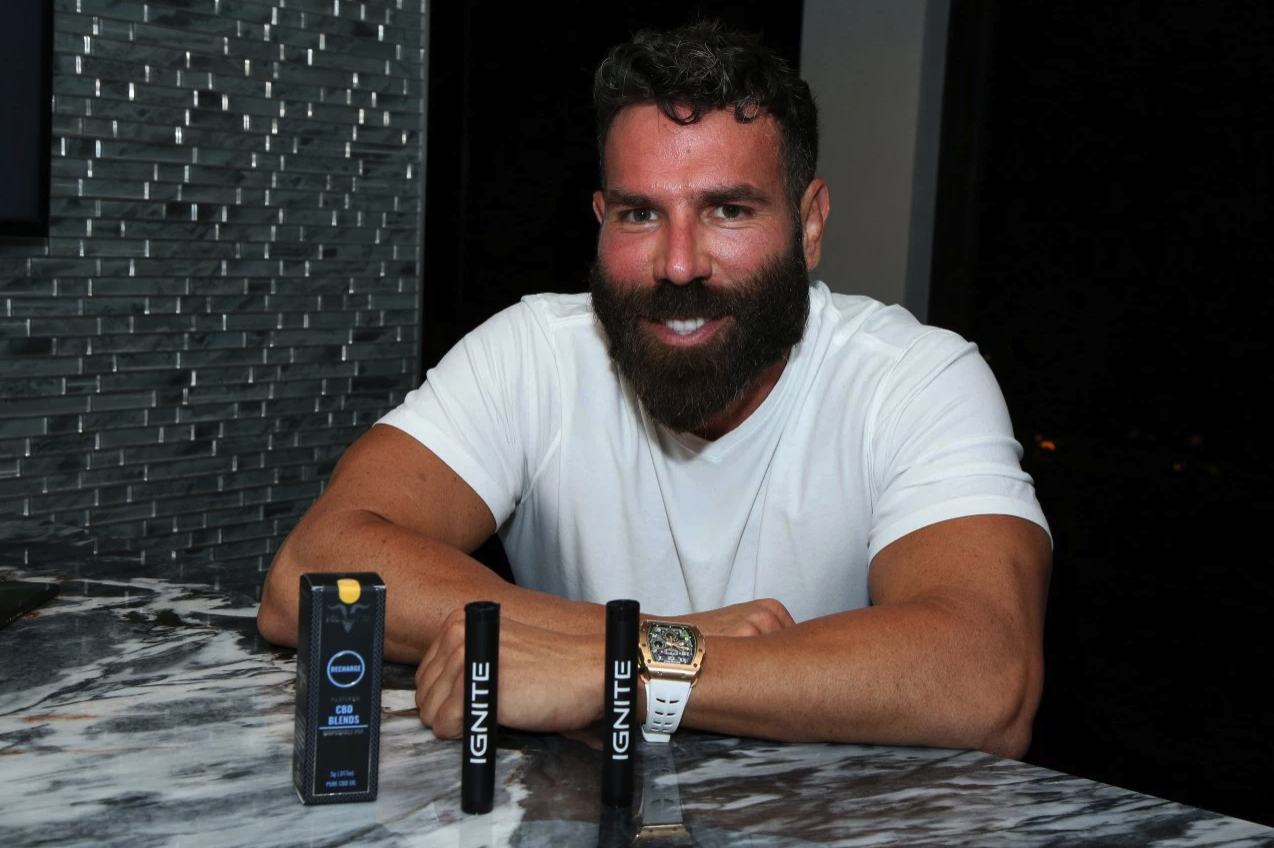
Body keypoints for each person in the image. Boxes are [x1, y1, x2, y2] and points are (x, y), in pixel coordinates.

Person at [257, 20, 1052, 758]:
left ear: (810, 224)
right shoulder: (534, 352)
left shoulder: (915, 379)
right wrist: (644, 641)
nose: (678, 264)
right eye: (640, 214)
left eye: (728, 210)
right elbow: (313, 574)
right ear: (600, 219)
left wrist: (620, 668)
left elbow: (986, 677)